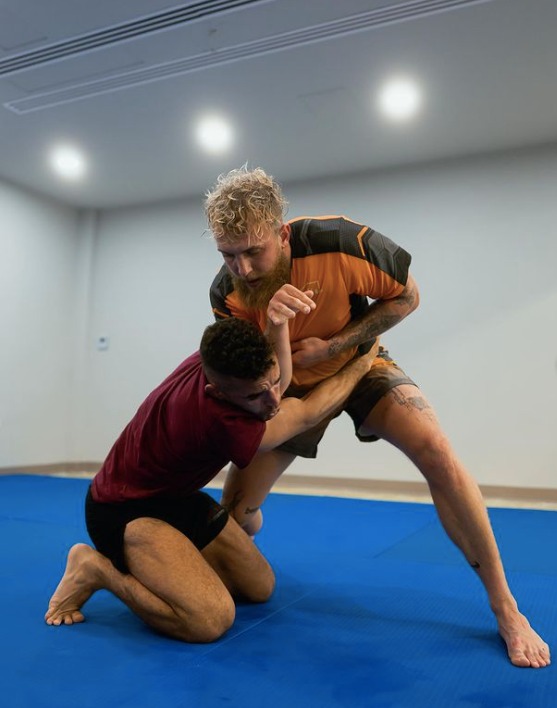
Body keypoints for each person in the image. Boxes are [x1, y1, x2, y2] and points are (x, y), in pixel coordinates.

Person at [206, 166, 550, 668]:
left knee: (437, 452)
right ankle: (253, 514)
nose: (242, 269)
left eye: (252, 252)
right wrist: (278, 337)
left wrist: (338, 343)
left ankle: (506, 607)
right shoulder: (228, 293)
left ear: (281, 234)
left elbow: (408, 296)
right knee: (233, 517)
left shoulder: (341, 241)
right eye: (227, 255)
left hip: (361, 362)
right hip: (292, 385)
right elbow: (255, 376)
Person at [45, 295, 377, 643]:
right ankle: (96, 569)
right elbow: (308, 412)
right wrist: (365, 361)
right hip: (124, 513)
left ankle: (176, 564)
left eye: (273, 384)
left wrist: (277, 325)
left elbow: (274, 375)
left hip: (178, 499)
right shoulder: (222, 421)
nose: (273, 402)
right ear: (215, 392)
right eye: (254, 397)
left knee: (260, 588)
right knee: (209, 621)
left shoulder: (217, 359)